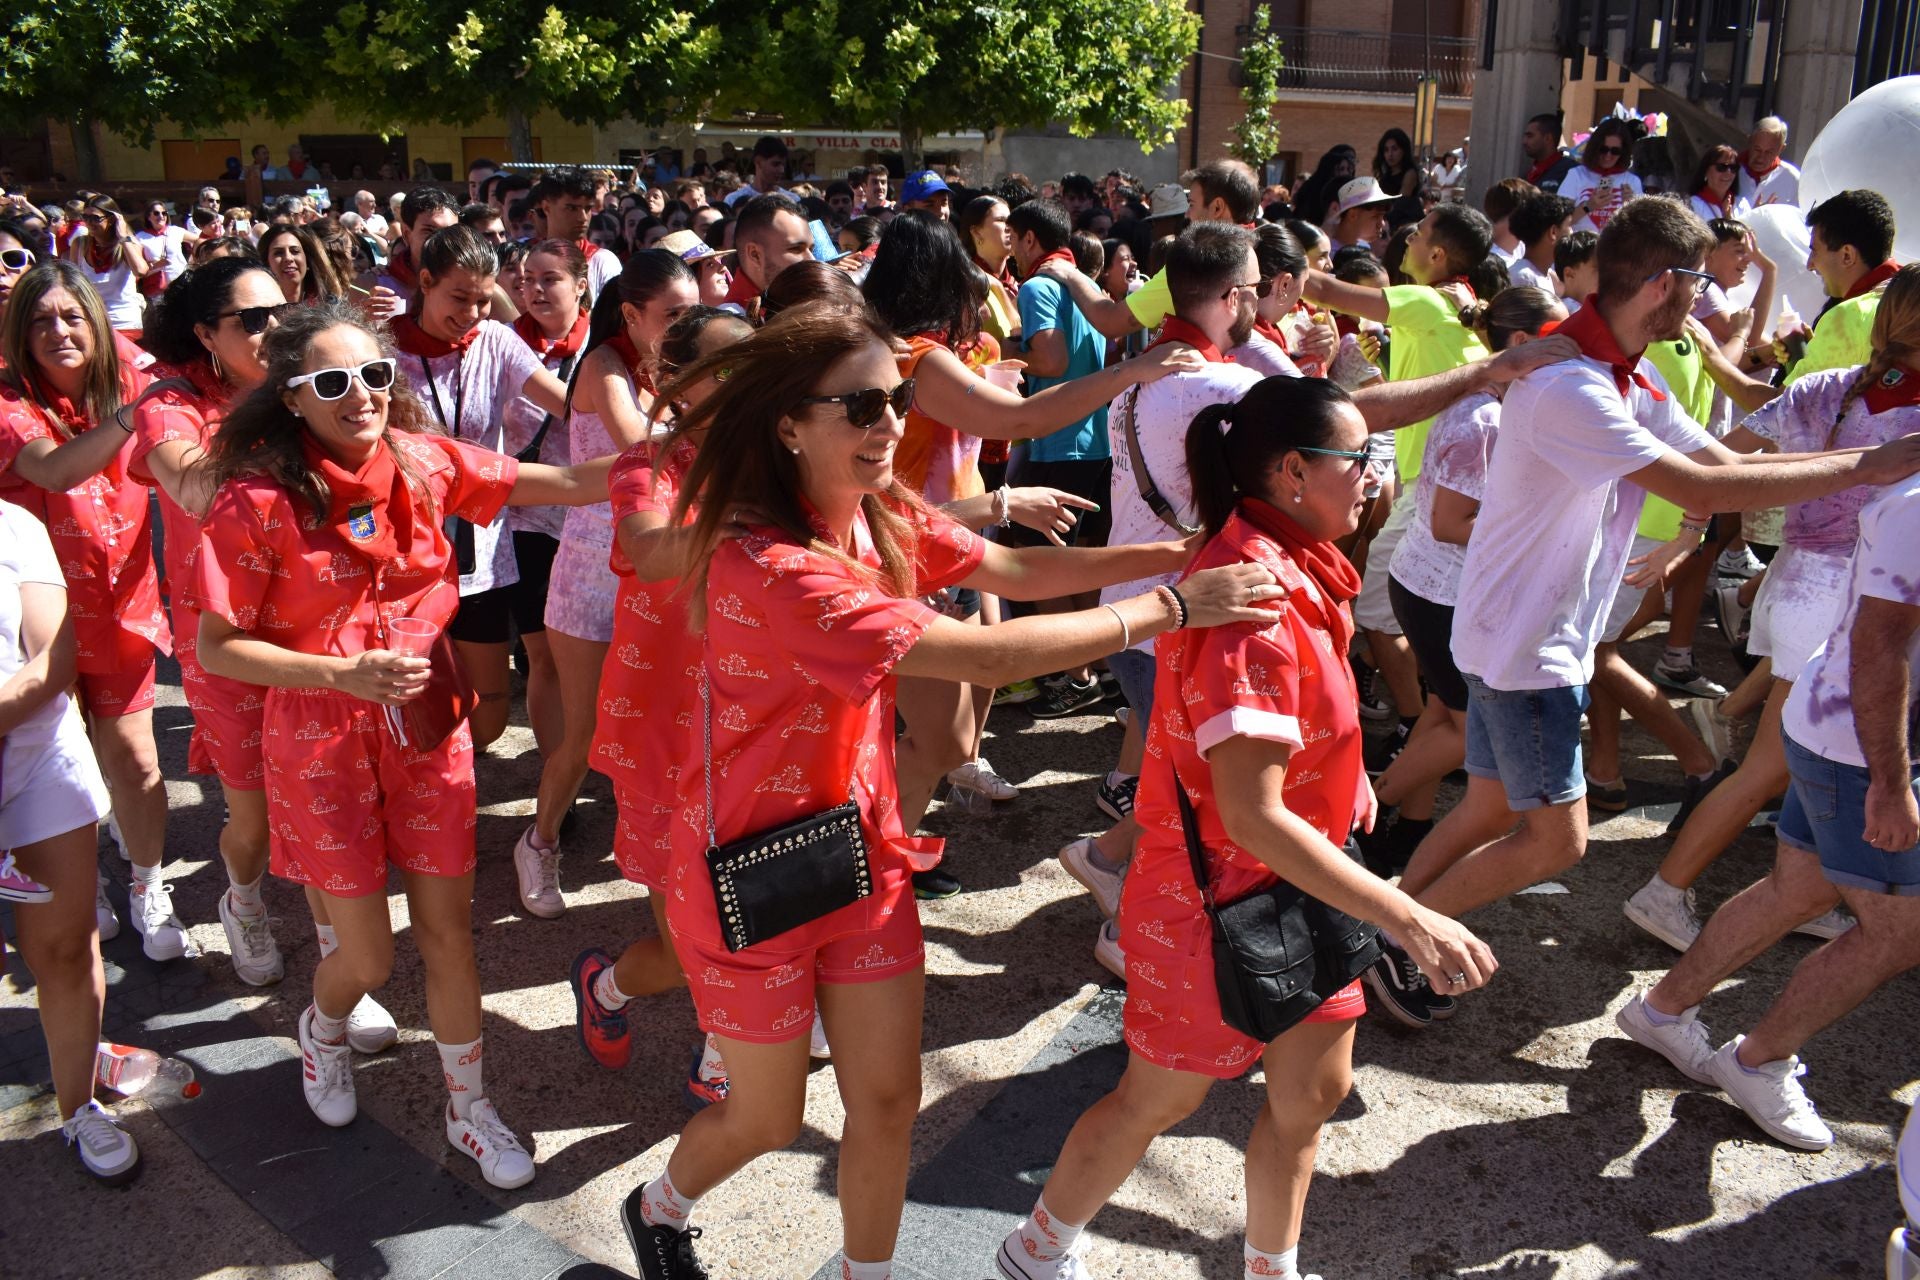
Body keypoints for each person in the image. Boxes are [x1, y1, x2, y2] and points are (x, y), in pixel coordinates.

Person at [614, 301, 1285, 1280]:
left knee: (886, 1104)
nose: (890, 422)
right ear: (788, 423)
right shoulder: (769, 563)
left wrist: (1176, 557)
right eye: (860, 405)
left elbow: (1009, 565)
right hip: (744, 873)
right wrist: (1175, 605)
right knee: (767, 1116)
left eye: (896, 399)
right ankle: (661, 1202)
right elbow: (979, 647)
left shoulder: (875, 511)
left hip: (858, 854)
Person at [996, 376, 1497, 1280]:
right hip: (1214, 901)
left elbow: (1306, 729)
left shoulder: (1293, 559)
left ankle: (1272, 1267)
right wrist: (1408, 915)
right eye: (1362, 460)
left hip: (1302, 878)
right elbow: (1250, 814)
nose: (1376, 478)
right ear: (1296, 472)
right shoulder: (1255, 603)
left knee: (1312, 1093)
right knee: (1158, 1099)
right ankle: (1036, 1248)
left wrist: (1347, 785)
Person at [1378, 196, 1920, 1027]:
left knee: (1490, 810)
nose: (1705, 301)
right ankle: (1410, 948)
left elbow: (1715, 456)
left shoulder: (1627, 370)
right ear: (1663, 284)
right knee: (1558, 840)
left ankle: (1381, 926)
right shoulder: (1573, 386)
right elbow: (1702, 485)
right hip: (1531, 646)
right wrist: (1870, 464)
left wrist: (1841, 452)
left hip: (1511, 631)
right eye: (1698, 283)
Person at [191, 299, 610, 1182]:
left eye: (375, 375)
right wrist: (338, 675)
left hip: (425, 727)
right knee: (369, 955)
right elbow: (218, 644)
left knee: (449, 934)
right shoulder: (256, 500)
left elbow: (566, 484)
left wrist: (678, 456)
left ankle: (469, 1109)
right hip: (319, 734)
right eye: (334, 382)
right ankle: (324, 1027)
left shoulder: (421, 460)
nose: (363, 396)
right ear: (293, 398)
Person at [1618, 445, 1920, 1152]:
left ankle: (1661, 1013)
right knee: (1899, 930)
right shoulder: (1916, 505)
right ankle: (1760, 1060)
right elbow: (1879, 647)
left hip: (1846, 731)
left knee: (1796, 888)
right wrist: (1891, 781)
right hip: (1860, 745)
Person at [1623, 266, 1920, 952]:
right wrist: (1687, 536)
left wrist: (1690, 533)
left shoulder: (1823, 388)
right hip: (1844, 606)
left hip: (1792, 588)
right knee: (1771, 768)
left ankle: (1804, 892)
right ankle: (1665, 891)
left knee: (1802, 764)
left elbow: (1725, 467)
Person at [572, 305, 754, 1098]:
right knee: (685, 947)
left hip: (759, 728)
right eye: (724, 369)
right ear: (666, 383)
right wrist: (758, 520)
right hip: (661, 734)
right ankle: (606, 987)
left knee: (753, 913)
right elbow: (649, 551)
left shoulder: (781, 463)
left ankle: (724, 1042)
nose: (745, 384)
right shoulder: (643, 468)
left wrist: (984, 512)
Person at [0, 262, 189, 960]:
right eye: (41, 320)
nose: (58, 331)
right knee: (54, 763)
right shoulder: (8, 400)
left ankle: (147, 881)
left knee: (136, 760)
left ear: (98, 325)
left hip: (122, 606)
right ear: (21, 335)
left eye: (72, 316)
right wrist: (127, 416)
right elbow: (53, 470)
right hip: (35, 624)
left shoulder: (134, 379)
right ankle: (84, 889)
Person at [515, 248, 698, 918]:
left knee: (660, 724)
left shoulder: (668, 368)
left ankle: (666, 850)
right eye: (673, 314)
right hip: (591, 578)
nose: (687, 325)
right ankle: (538, 840)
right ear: (631, 314)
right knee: (585, 734)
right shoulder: (604, 365)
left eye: (693, 312)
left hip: (656, 575)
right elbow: (636, 439)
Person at [1366, 287, 1567, 876]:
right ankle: (1363, 813)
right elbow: (1452, 523)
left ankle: (1407, 828)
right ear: (1524, 344)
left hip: (1437, 588)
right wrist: (1540, 534)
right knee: (1465, 730)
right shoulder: (1484, 418)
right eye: (1564, 342)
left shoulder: (1497, 404)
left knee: (1441, 716)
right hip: (1441, 596)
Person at [1304, 203, 1495, 763]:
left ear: (1437, 256)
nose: (1406, 240)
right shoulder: (1456, 308)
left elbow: (1325, 289)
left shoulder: (1427, 300)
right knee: (1413, 614)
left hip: (1434, 489)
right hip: (1440, 483)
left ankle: (1422, 726)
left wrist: (1267, 253)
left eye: (1419, 236)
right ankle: (1444, 719)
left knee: (1379, 617)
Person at [390, 224, 571, 751]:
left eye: (483, 299)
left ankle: (449, 782)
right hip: (406, 546)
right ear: (425, 281)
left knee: (489, 712)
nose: (471, 313)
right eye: (459, 297)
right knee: (411, 691)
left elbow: (565, 406)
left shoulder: (495, 340)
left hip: (482, 547)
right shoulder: (383, 349)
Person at [0, 493, 128, 1180]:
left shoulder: (13, 524)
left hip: (37, 756)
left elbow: (54, 661)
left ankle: (80, 1107)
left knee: (64, 948)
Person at [499, 239, 590, 768]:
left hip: (592, 520)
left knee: (593, 654)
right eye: (526, 277)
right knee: (542, 657)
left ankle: (595, 755)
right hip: (525, 517)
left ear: (581, 284)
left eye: (549, 278)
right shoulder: (503, 344)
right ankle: (559, 772)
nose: (533, 288)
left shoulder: (604, 346)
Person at [1785, 190, 1899, 385]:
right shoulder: (1907, 294)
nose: (1810, 264)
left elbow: (1785, 407)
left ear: (1847, 255)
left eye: (1814, 251)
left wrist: (1714, 355)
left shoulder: (1850, 314)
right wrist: (1814, 349)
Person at [65, 198, 154, 337]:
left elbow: (141, 271)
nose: (89, 223)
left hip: (125, 323)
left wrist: (123, 236)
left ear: (112, 219)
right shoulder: (80, 244)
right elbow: (72, 283)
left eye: (95, 218)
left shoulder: (128, 243)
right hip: (94, 323)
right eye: (85, 217)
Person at [719, 194, 814, 320]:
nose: (812, 260)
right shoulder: (728, 325)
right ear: (755, 255)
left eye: (811, 249)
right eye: (796, 249)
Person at [537, 168, 623, 303]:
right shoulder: (527, 259)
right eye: (572, 208)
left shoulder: (603, 262)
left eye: (587, 208)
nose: (583, 218)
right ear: (547, 207)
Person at [373, 186, 461, 313]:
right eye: (429, 231)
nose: (443, 241)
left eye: (451, 232)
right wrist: (365, 322)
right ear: (406, 234)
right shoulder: (375, 285)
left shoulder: (475, 282)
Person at [1559, 121, 1643, 236]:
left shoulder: (1632, 181)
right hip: (1580, 249)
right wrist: (1588, 206)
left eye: (1615, 151)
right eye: (1603, 149)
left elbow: (1640, 230)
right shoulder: (1577, 175)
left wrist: (1630, 207)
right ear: (1594, 148)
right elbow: (1559, 221)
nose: (1608, 156)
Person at [257, 224, 346, 305]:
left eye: (295, 251)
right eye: (278, 253)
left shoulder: (330, 306)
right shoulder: (258, 309)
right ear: (266, 262)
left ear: (306, 258)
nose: (288, 258)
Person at [1508, 193, 1575, 293]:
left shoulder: (1546, 275)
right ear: (1553, 232)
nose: (1572, 232)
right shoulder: (1525, 278)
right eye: (1569, 225)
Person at [1738, 116, 1801, 208]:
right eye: (1757, 149)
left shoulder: (1793, 179)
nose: (1761, 157)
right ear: (1749, 141)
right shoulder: (1729, 170)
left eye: (1769, 152)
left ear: (1781, 149)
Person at [722, 136, 797, 209]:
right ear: (758, 162)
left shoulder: (792, 200)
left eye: (783, 165)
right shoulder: (733, 200)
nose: (781, 170)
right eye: (775, 164)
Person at [1324, 178, 1395, 255]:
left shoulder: (1365, 248)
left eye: (1383, 217)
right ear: (1353, 215)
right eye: (1376, 216)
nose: (1382, 224)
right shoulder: (1325, 252)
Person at [134, 201, 195, 287]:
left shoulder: (175, 231)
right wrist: (154, 266)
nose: (161, 216)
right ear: (148, 217)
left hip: (182, 284)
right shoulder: (140, 237)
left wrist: (192, 260)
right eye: (156, 213)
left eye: (164, 213)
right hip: (157, 288)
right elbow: (136, 265)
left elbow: (199, 240)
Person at [1688, 145, 1752, 225]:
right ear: (1706, 170)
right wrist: (1727, 221)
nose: (1728, 172)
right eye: (1721, 167)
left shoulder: (1742, 203)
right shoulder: (1692, 205)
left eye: (1733, 168)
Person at [1295, 146, 1358, 226]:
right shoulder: (1312, 191)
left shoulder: (1348, 192)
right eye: (1341, 169)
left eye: (1348, 169)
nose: (1346, 173)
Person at [1520, 113, 1578, 195]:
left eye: (1530, 136)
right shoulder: (1527, 175)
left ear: (1547, 138)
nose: (1524, 142)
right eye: (1525, 136)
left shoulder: (1571, 172)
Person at [1374, 127, 1421, 199]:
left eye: (1394, 149)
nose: (1390, 154)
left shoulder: (1410, 174)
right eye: (1386, 150)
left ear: (1404, 150)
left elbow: (1401, 201)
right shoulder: (1385, 175)